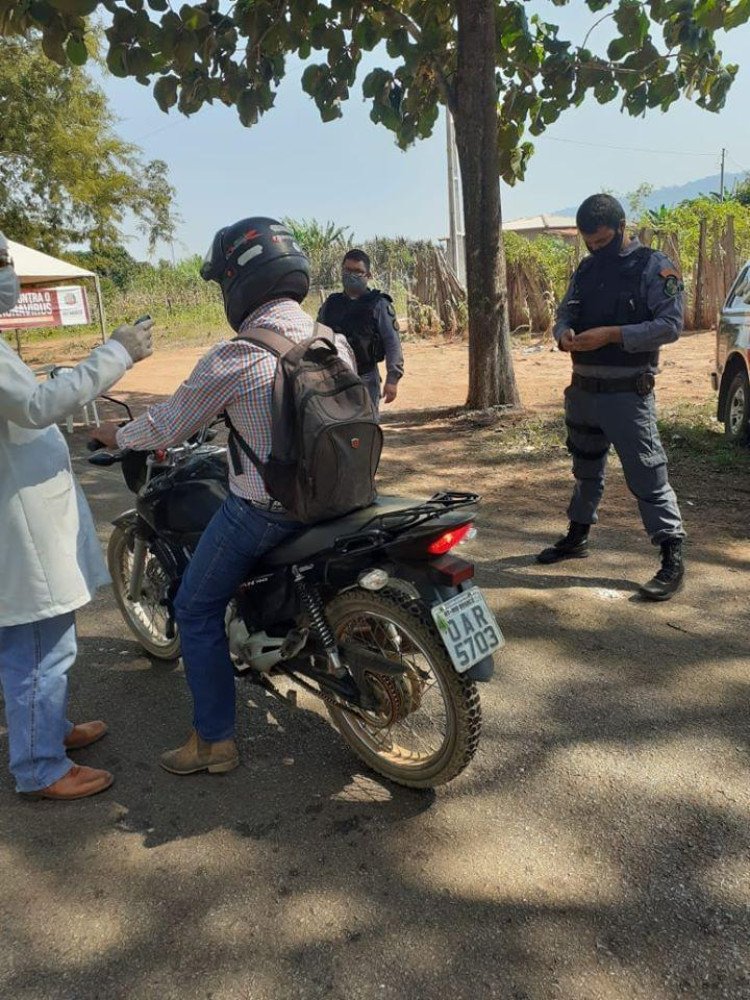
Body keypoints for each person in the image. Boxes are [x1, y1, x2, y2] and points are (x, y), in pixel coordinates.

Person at [94, 217, 356, 777]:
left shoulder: (238, 355)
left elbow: (170, 425)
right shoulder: (335, 340)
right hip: (343, 497)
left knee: (193, 605)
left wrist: (119, 436)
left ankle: (214, 742)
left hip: (267, 511)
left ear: (240, 282)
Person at [0, 231, 154, 800]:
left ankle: (46, 731)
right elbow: (38, 406)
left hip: (18, 512)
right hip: (17, 524)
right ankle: (39, 768)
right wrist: (115, 352)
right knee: (41, 647)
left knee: (31, 645)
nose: (8, 273)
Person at [536, 194, 686, 601]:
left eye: (602, 241)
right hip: (582, 390)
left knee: (647, 475)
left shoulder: (654, 266)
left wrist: (614, 334)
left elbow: (671, 325)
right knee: (586, 468)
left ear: (622, 227)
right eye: (589, 242)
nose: (595, 249)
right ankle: (578, 535)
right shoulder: (586, 269)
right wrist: (563, 333)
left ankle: (672, 555)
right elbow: (566, 313)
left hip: (627, 394)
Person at [317, 249, 404, 414]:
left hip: (366, 377)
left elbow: (392, 342)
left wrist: (393, 379)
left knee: (366, 428)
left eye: (358, 272)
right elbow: (317, 339)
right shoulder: (331, 304)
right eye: (347, 270)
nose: (351, 276)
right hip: (333, 378)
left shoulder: (379, 304)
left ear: (368, 275)